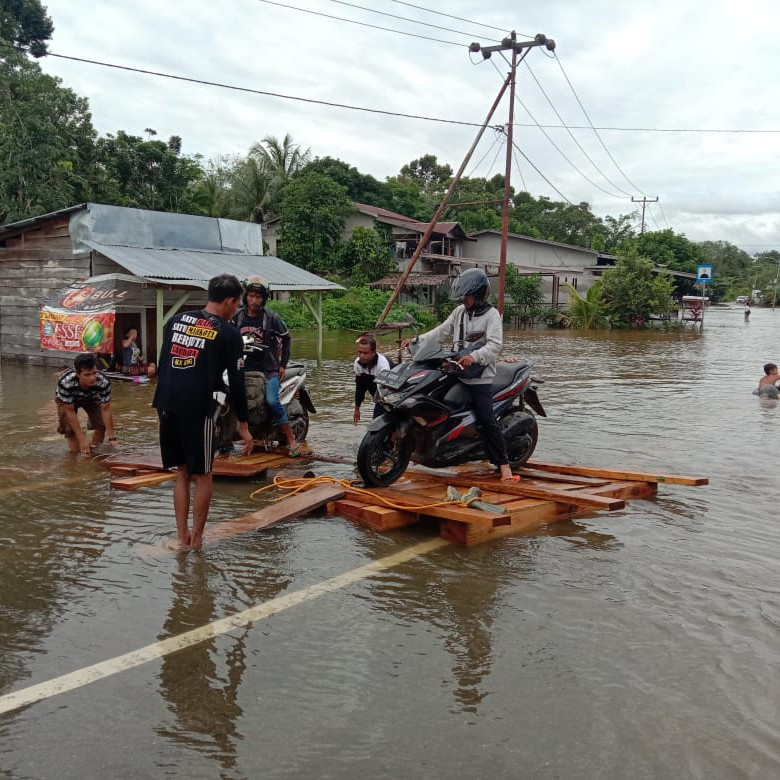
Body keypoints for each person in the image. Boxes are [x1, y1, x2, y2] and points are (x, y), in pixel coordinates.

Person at [153, 274, 253, 550]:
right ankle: (196, 540)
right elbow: (237, 381)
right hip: (197, 408)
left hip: (166, 403)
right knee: (204, 474)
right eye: (237, 304)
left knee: (182, 472)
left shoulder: (177, 321)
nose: (237, 310)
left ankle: (181, 536)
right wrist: (243, 425)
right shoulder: (229, 333)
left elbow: (163, 366)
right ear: (231, 301)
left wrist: (161, 406)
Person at [401, 268, 519, 482]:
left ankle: (504, 466)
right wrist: (416, 340)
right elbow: (440, 332)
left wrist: (474, 356)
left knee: (487, 419)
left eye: (468, 296)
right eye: (463, 297)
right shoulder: (459, 312)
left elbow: (495, 345)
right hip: (455, 369)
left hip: (479, 377)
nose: (464, 300)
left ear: (480, 295)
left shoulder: (492, 315)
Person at [232, 275, 301, 455]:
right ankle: (226, 441)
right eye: (251, 296)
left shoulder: (271, 318)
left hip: (268, 369)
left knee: (271, 401)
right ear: (245, 296)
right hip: (242, 367)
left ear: (264, 298)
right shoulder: (237, 317)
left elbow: (286, 339)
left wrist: (282, 364)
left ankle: (292, 439)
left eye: (258, 296)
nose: (254, 300)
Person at [55, 352, 120, 455]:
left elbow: (106, 409)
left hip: (91, 396)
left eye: (94, 373)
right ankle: (74, 456)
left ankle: (93, 454)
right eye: (87, 375)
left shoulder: (103, 382)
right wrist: (82, 439)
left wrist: (112, 438)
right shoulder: (66, 383)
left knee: (101, 424)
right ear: (78, 374)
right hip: (68, 399)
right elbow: (70, 411)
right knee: (69, 428)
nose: (92, 378)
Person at [353, 334, 391, 424]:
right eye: (360, 352)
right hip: (378, 397)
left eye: (365, 353)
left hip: (388, 393)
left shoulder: (382, 365)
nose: (362, 356)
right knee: (376, 423)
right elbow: (360, 387)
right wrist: (357, 409)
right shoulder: (358, 363)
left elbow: (386, 392)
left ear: (374, 352)